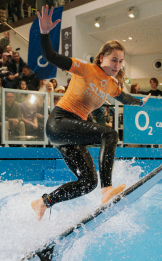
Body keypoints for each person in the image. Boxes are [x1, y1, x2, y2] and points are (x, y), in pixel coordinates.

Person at [29, 7, 146, 220]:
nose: (117, 65)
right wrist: (44, 33)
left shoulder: (111, 85)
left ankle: (43, 202)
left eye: (120, 61)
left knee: (88, 183)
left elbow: (125, 98)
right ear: (101, 57)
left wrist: (141, 102)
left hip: (71, 134)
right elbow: (51, 55)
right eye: (113, 60)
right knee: (109, 134)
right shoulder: (84, 68)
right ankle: (107, 188)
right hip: (60, 121)